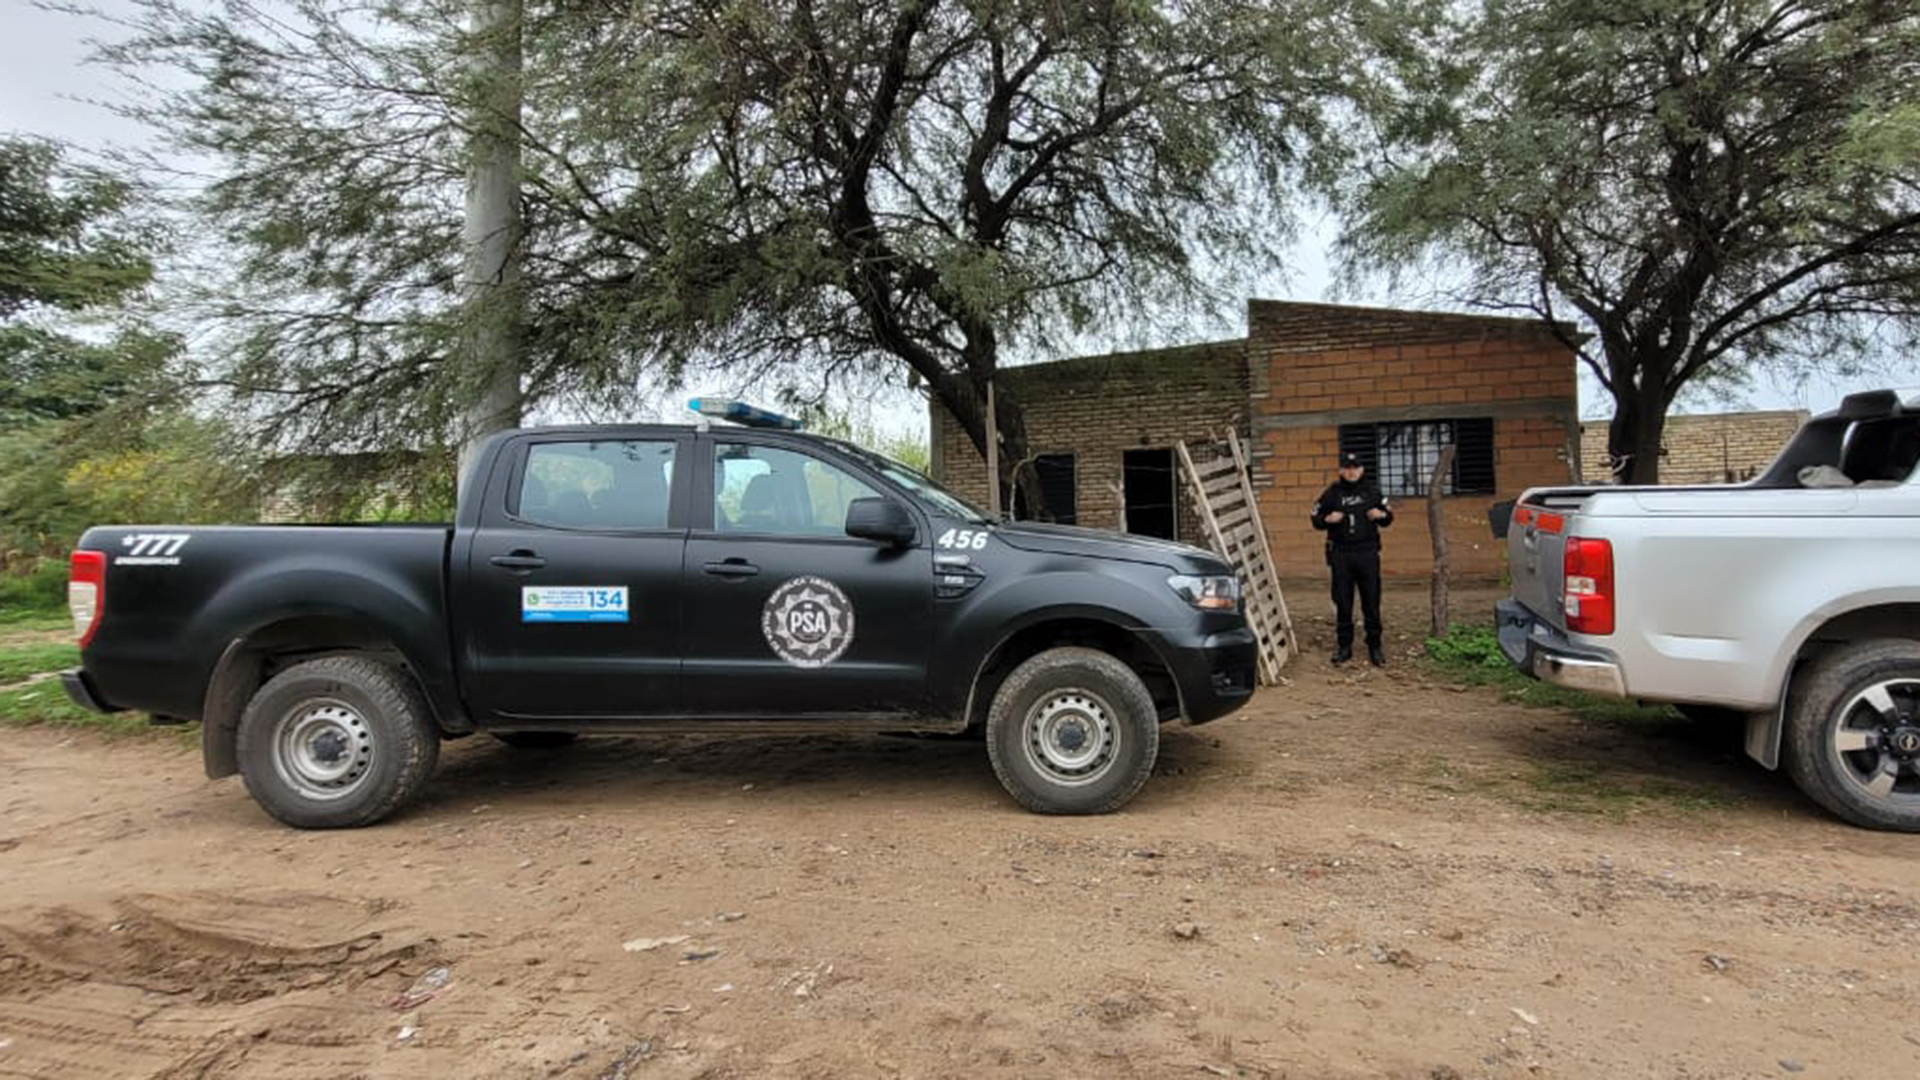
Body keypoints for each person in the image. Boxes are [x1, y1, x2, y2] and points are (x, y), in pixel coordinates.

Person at [1311, 452, 1393, 665]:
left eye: (1355, 467)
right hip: (1341, 554)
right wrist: (1328, 519)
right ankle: (1344, 646)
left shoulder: (1372, 492)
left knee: (1371, 600)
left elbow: (1388, 518)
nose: (1351, 471)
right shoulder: (1332, 493)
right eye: (1347, 468)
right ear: (1341, 470)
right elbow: (1315, 518)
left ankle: (1375, 646)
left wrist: (1381, 515)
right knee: (1343, 601)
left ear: (1362, 470)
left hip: (1367, 553)